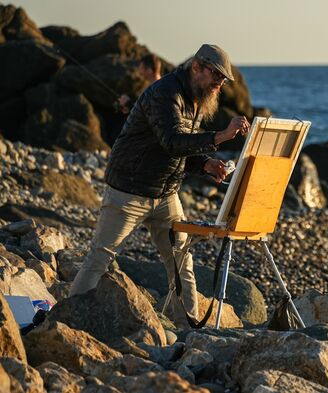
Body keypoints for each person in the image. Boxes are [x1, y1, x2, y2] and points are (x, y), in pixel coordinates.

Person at [70, 44, 250, 328]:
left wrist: (204, 164)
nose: (219, 83)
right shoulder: (165, 93)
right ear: (196, 67)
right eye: (216, 75)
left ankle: (188, 330)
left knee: (181, 261)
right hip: (129, 189)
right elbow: (173, 141)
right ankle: (69, 320)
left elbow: (176, 152)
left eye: (223, 79)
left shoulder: (198, 98)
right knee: (100, 257)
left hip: (166, 194)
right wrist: (221, 136)